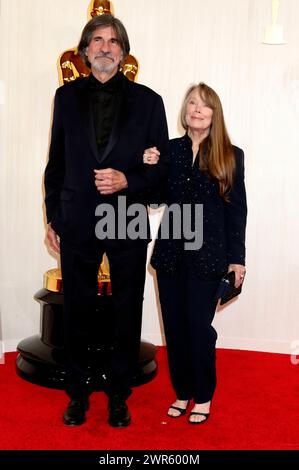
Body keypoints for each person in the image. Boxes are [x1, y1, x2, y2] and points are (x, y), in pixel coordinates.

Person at [44, 13, 169, 427]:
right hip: (76, 219)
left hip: (128, 217)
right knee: (76, 308)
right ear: (84, 52)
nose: (104, 47)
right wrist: (53, 217)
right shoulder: (64, 99)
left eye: (113, 41)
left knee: (126, 308)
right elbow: (56, 164)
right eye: (97, 40)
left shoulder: (150, 102)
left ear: (124, 52)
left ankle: (119, 394)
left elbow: (159, 172)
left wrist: (127, 179)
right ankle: (77, 393)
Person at [144, 82, 247, 424]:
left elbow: (237, 211)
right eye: (191, 104)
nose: (197, 109)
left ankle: (203, 396)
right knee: (173, 328)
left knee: (198, 327)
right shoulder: (170, 151)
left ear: (215, 114)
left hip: (210, 254)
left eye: (204, 105)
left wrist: (237, 259)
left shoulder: (231, 155)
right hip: (171, 252)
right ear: (184, 112)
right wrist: (149, 165)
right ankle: (182, 392)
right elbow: (155, 197)